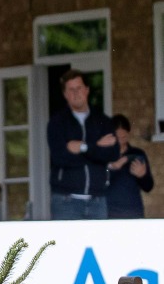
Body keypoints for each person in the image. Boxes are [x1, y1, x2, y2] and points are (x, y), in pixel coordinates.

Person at [45, 69, 121, 220]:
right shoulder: (57, 123)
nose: (75, 93)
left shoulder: (102, 121)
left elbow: (113, 154)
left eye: (79, 88)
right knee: (67, 244)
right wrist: (97, 148)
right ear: (65, 94)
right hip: (65, 202)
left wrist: (82, 147)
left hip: (97, 201)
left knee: (98, 244)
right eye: (71, 89)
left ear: (87, 90)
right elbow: (60, 157)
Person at [105, 114, 153, 219]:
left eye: (124, 137)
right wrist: (111, 167)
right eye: (118, 138)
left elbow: (148, 186)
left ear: (129, 133)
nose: (121, 141)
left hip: (133, 211)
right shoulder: (104, 155)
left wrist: (142, 176)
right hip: (109, 212)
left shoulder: (138, 154)